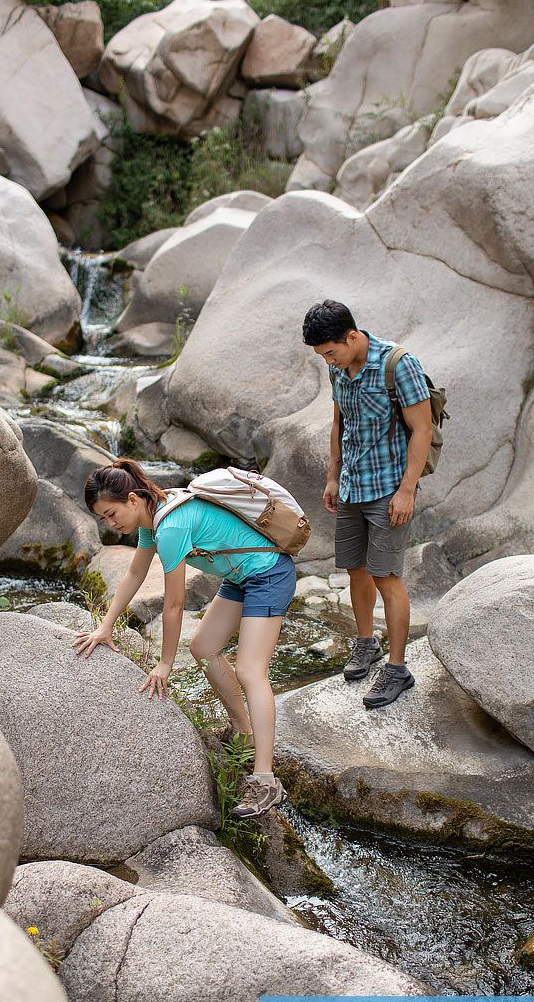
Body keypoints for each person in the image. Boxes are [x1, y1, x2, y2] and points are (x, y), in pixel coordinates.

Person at [74, 458, 295, 818]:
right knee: (204, 647)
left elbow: (175, 605)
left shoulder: (171, 525)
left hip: (268, 573)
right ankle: (244, 732)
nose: (111, 525)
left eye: (111, 514)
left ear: (132, 499)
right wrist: (106, 626)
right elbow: (134, 572)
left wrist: (164, 665)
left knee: (250, 670)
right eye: (103, 519)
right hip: (242, 575)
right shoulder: (153, 516)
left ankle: (266, 781)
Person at [302, 299, 433, 709]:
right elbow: (340, 422)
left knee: (386, 576)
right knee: (355, 570)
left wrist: (408, 489)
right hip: (352, 485)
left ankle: (397, 669)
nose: (328, 361)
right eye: (322, 355)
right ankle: (366, 643)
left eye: (331, 351)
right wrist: (331, 475)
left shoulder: (398, 365)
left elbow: (422, 428)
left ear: (353, 336)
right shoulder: (337, 367)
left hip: (389, 488)